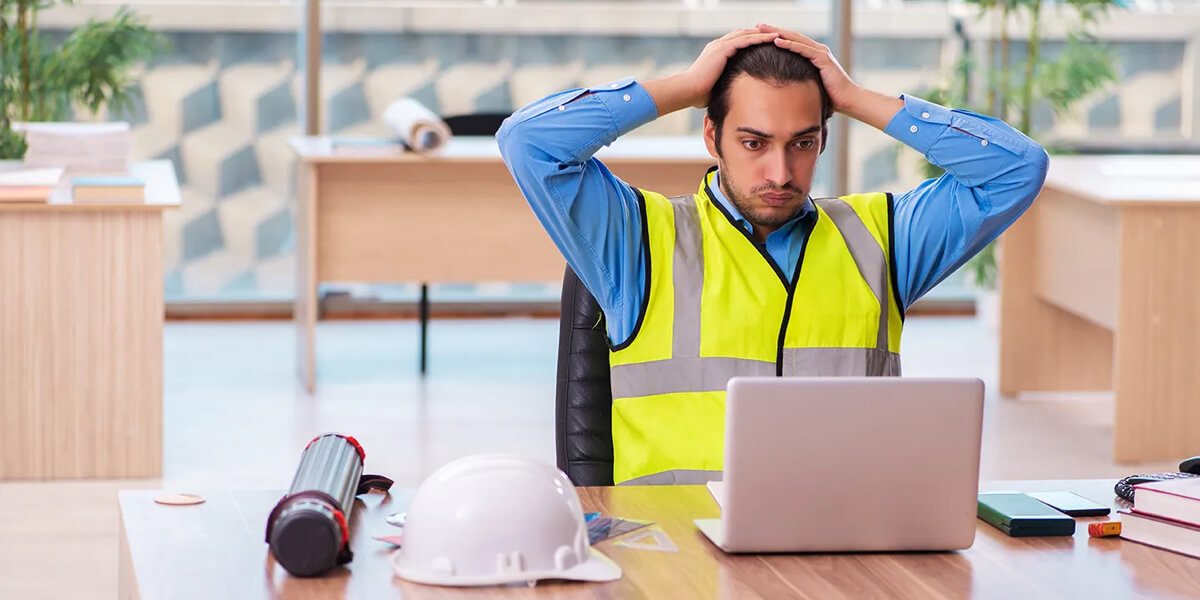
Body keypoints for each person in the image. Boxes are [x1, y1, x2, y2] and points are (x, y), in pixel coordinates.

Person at [497, 24, 1048, 485]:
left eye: (802, 143)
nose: (781, 174)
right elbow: (529, 143)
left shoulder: (885, 238)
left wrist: (856, 99)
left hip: (843, 546)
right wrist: (686, 87)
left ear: (823, 140)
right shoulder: (635, 240)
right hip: (676, 555)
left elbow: (1017, 170)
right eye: (754, 143)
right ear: (712, 136)